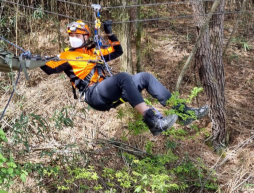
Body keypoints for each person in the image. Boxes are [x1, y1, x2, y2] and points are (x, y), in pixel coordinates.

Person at [41, 20, 209, 135]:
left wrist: (110, 33)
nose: (73, 39)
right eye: (71, 36)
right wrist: (29, 60)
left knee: (144, 77)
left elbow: (117, 51)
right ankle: (153, 122)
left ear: (86, 37)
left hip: (108, 91)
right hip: (93, 94)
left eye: (77, 36)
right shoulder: (65, 56)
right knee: (123, 77)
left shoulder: (94, 52)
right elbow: (48, 68)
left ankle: (184, 113)